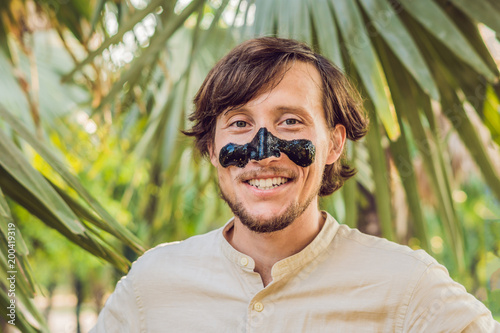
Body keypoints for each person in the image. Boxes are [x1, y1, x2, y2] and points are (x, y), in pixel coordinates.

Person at [91, 37, 500, 332]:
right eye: (239, 124)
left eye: (290, 121)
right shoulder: (152, 284)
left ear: (334, 144)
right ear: (212, 149)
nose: (263, 152)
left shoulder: (408, 287)